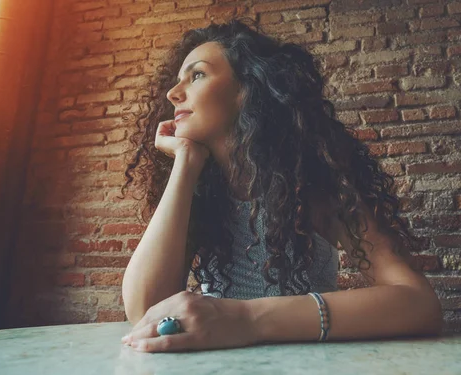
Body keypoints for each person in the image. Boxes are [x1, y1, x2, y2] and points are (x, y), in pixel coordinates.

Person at [118, 17, 443, 353]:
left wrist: (245, 319)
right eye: (177, 80)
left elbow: (418, 302)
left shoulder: (313, 188)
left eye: (196, 74)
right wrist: (185, 163)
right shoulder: (201, 195)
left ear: (247, 89)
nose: (173, 93)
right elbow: (144, 310)